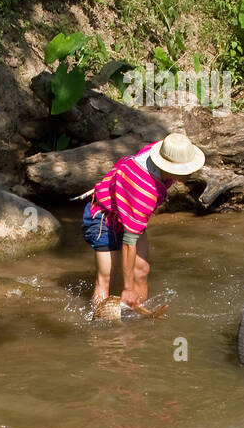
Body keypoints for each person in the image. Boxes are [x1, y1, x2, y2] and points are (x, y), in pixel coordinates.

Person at [81, 132, 205, 309]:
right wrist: (128, 288)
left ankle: (134, 326)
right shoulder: (143, 192)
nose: (191, 172)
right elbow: (129, 242)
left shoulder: (158, 150)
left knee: (142, 270)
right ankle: (98, 330)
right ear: (169, 168)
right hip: (103, 218)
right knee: (105, 281)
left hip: (129, 215)